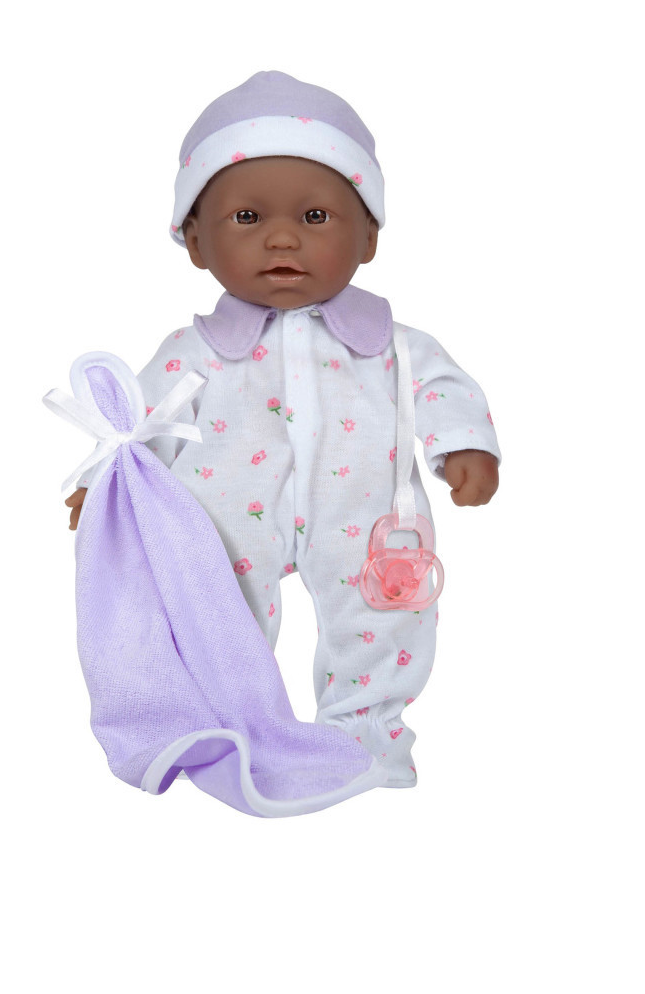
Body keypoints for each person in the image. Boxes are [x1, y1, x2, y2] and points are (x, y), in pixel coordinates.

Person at [66, 71, 500, 786]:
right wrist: (104, 491)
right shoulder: (192, 352)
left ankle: (367, 740)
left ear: (369, 236)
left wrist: (465, 444)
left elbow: (444, 389)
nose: (281, 237)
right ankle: (227, 727)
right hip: (223, 520)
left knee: (382, 621)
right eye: (246, 218)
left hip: (368, 517)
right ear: (196, 242)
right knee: (216, 618)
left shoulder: (395, 344)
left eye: (316, 216)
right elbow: (137, 427)